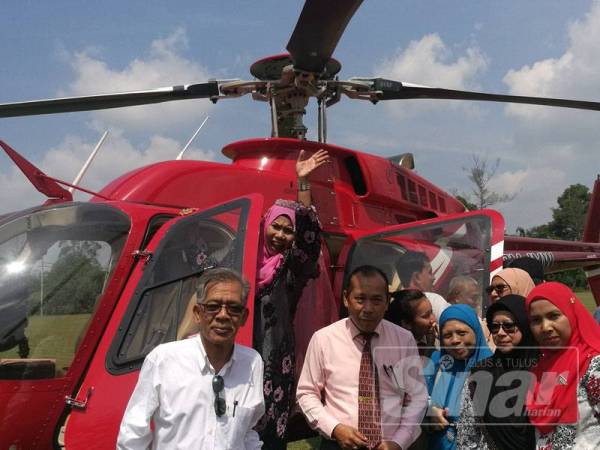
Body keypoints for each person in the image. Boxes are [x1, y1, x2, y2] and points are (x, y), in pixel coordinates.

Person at [117, 268, 264, 450]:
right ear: (197, 313)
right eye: (213, 307)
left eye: (234, 309)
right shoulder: (164, 359)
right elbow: (133, 433)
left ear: (244, 318)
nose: (223, 315)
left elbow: (248, 431)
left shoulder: (252, 363)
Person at [297, 265, 428, 450]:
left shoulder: (404, 340)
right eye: (360, 299)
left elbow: (417, 397)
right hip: (337, 444)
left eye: (376, 300)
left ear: (387, 302)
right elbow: (306, 393)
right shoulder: (324, 340)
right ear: (346, 299)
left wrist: (399, 440)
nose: (367, 308)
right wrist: (334, 428)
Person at [254, 148, 329, 448]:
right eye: (276, 226)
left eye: (288, 230)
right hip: (240, 357)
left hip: (274, 364)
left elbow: (309, 235)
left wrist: (303, 184)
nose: (281, 235)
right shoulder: (243, 263)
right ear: (264, 225)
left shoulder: (290, 268)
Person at [456, 295, 538, 450]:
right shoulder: (480, 374)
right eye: (494, 327)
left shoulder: (542, 370)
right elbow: (467, 435)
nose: (500, 333)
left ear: (525, 326)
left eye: (508, 326)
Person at [525, 282, 600, 449]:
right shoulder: (541, 370)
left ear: (571, 314)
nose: (545, 327)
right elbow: (542, 426)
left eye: (554, 316)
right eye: (536, 320)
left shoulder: (593, 365)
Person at [426, 304, 493, 450]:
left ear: (476, 331)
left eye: (462, 333)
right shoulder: (438, 363)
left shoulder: (493, 368)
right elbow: (415, 399)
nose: (455, 340)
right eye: (447, 335)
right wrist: (430, 411)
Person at [396, 251, 449, 320]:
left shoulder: (395, 305)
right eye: (430, 272)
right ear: (417, 277)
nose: (434, 277)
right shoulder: (434, 301)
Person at [386, 289, 437, 358]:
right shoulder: (397, 351)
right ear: (407, 323)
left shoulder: (439, 337)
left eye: (431, 312)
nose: (433, 319)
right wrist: (430, 345)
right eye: (426, 316)